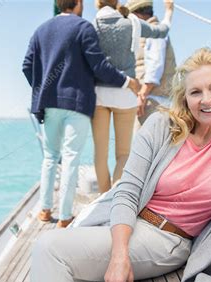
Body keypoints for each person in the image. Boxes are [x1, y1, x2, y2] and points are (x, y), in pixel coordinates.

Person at [27, 48, 211, 282]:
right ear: (185, 98)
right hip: (123, 225)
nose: (206, 100)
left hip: (167, 240)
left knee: (49, 248)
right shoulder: (162, 125)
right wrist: (120, 255)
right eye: (195, 92)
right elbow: (127, 191)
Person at [22, 0, 140, 228]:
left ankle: (45, 211)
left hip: (48, 103)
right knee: (70, 159)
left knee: (49, 157)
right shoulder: (83, 28)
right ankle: (65, 217)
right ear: (77, 4)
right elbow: (99, 66)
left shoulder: (41, 29)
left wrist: (42, 89)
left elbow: (27, 66)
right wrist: (127, 81)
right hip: (76, 104)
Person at [91, 0, 174, 193]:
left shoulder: (91, 26)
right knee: (124, 154)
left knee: (100, 154)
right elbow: (161, 31)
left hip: (99, 96)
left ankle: (103, 197)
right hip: (127, 94)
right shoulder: (134, 24)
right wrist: (169, 12)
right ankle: (115, 198)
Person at [127, 0, 177, 126]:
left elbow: (155, 65)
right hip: (153, 100)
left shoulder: (153, 32)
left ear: (137, 16)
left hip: (151, 102)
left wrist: (142, 95)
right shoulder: (157, 29)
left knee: (143, 143)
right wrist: (169, 10)